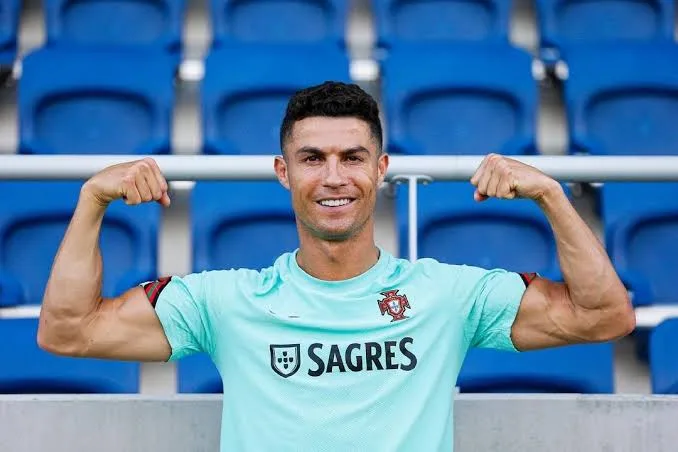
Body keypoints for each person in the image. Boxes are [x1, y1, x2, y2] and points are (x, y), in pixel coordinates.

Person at [37, 81, 635, 451]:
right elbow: (69, 331)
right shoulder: (226, 302)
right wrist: (92, 200)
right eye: (312, 158)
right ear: (283, 172)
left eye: (352, 157)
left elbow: (604, 316)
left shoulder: (446, 294)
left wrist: (551, 196)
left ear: (380, 168)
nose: (333, 177)